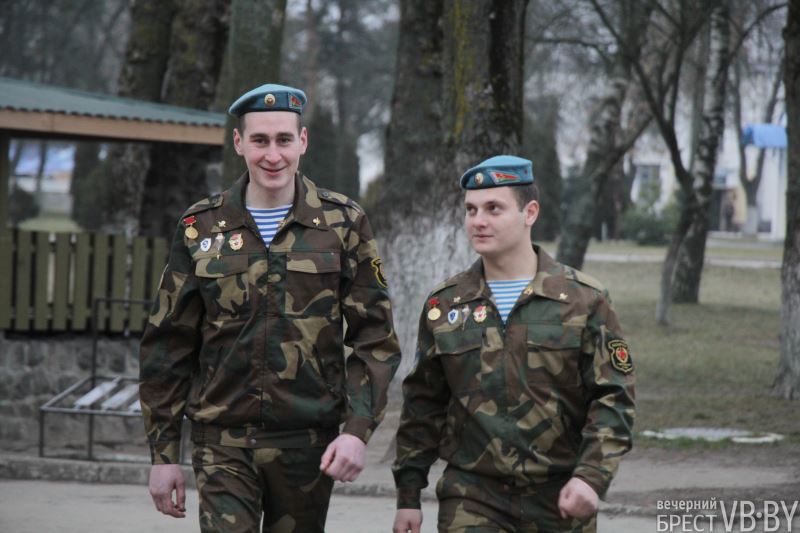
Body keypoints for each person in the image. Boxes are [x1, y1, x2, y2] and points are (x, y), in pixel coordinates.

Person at [139, 83, 401, 533]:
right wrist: (163, 455)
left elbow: (375, 338)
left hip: (307, 442)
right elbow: (168, 344)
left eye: (284, 139)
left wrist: (357, 432)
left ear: (303, 141)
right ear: (239, 143)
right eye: (260, 140)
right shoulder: (201, 227)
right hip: (222, 441)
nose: (273, 155)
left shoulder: (342, 223)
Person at [391, 155, 635, 533]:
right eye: (471, 210)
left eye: (493, 208)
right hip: (472, 495)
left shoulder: (583, 300)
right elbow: (423, 404)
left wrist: (592, 476)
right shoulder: (446, 305)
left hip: (560, 496)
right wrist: (408, 495)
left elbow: (613, 397)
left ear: (530, 212)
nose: (478, 221)